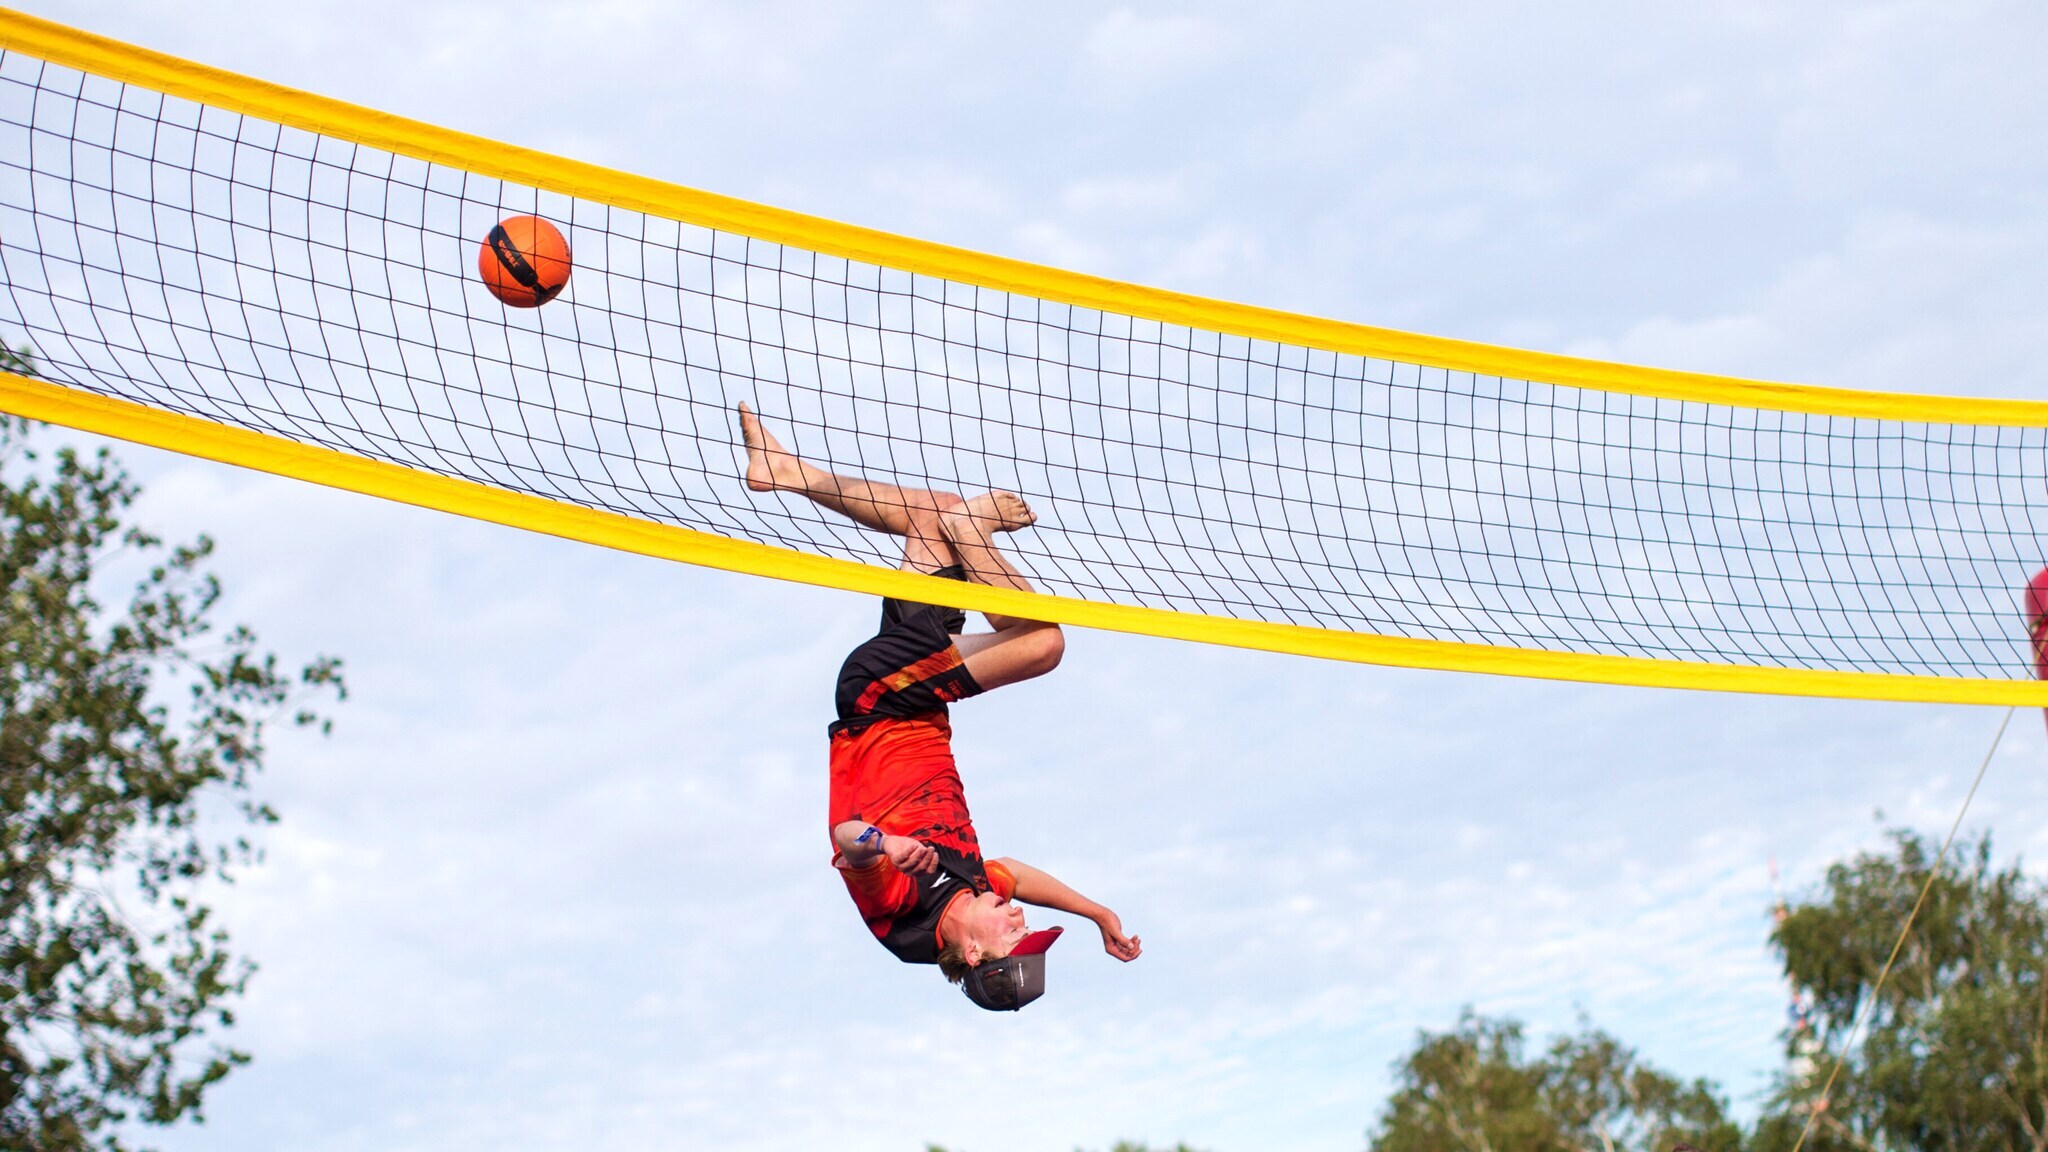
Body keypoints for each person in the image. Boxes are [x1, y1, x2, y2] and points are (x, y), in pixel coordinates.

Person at [738, 403, 1142, 1011]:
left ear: (974, 955)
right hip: (917, 702)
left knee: (1043, 644)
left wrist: (884, 846)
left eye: (1018, 938)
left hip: (881, 702)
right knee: (935, 513)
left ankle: (973, 534)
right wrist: (1095, 911)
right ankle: (787, 473)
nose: (1020, 920)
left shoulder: (908, 919)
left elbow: (847, 838)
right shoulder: (978, 890)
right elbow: (1016, 872)